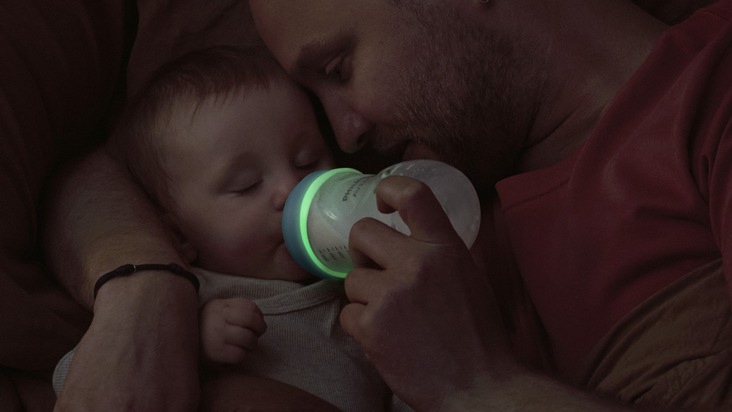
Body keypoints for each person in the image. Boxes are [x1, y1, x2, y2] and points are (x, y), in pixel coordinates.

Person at [42, 0, 729, 411]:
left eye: (338, 69)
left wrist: (476, 385)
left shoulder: (707, 93)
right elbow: (93, 172)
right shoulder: (435, 172)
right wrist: (143, 292)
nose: (343, 136)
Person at [50, 46, 410, 412]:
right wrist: (189, 342)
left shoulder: (362, 284)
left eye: (308, 161)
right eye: (247, 184)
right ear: (180, 235)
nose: (291, 188)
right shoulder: (186, 299)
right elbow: (82, 379)